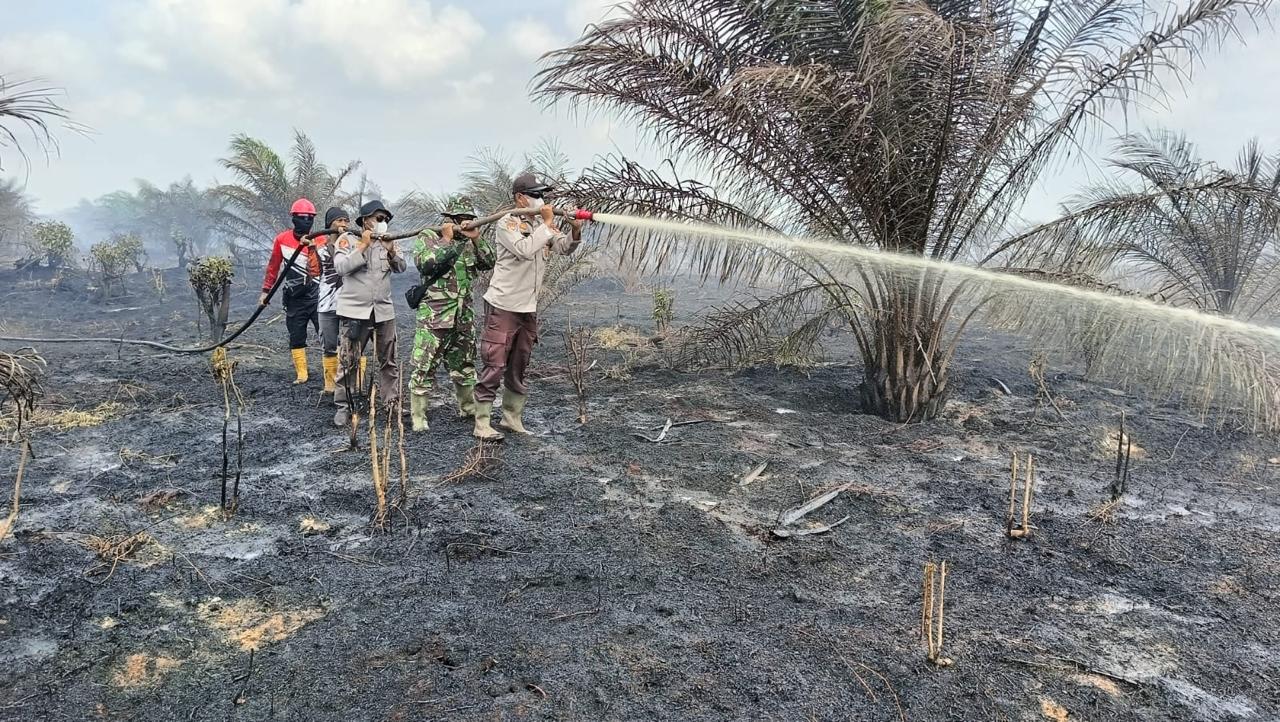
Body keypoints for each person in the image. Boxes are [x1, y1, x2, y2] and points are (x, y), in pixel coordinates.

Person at [473, 173, 584, 441]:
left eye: (543, 195)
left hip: (527, 307)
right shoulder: (507, 223)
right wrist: (546, 224)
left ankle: (511, 418)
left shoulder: (541, 225)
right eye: (535, 195)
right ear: (520, 198)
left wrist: (575, 229)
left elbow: (564, 247)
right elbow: (524, 249)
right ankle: (482, 423)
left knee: (519, 362)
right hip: (503, 305)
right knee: (494, 362)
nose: (541, 199)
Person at [408, 196, 497, 432]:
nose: (464, 223)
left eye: (468, 218)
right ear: (449, 219)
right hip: (435, 316)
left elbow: (489, 262)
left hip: (463, 316)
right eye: (460, 219)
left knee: (464, 364)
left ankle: (467, 408)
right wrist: (447, 239)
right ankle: (418, 416)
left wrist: (476, 238)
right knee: (424, 366)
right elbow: (426, 263)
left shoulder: (469, 242)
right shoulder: (429, 236)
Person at [332, 199, 407, 427]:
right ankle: (344, 407)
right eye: (378, 218)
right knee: (349, 361)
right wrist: (362, 246)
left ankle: (391, 404)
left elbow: (401, 267)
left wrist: (391, 251)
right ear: (365, 221)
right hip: (355, 312)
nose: (382, 222)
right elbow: (341, 268)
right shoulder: (348, 240)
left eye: (385, 219)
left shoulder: (388, 241)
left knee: (389, 361)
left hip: (383, 311)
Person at [259, 198, 320, 384]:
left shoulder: (321, 239)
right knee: (296, 335)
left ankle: (332, 374)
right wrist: (266, 291)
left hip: (318, 297)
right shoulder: (282, 240)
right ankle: (302, 374)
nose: (306, 221)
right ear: (293, 218)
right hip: (294, 297)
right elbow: (273, 266)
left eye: (309, 218)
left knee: (328, 336)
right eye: (302, 217)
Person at [316, 207, 349, 393]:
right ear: (330, 224)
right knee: (328, 344)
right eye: (339, 220)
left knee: (353, 345)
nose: (343, 224)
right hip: (327, 303)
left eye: (346, 220)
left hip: (350, 304)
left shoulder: (353, 247)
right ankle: (330, 386)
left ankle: (354, 384)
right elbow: (313, 272)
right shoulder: (319, 250)